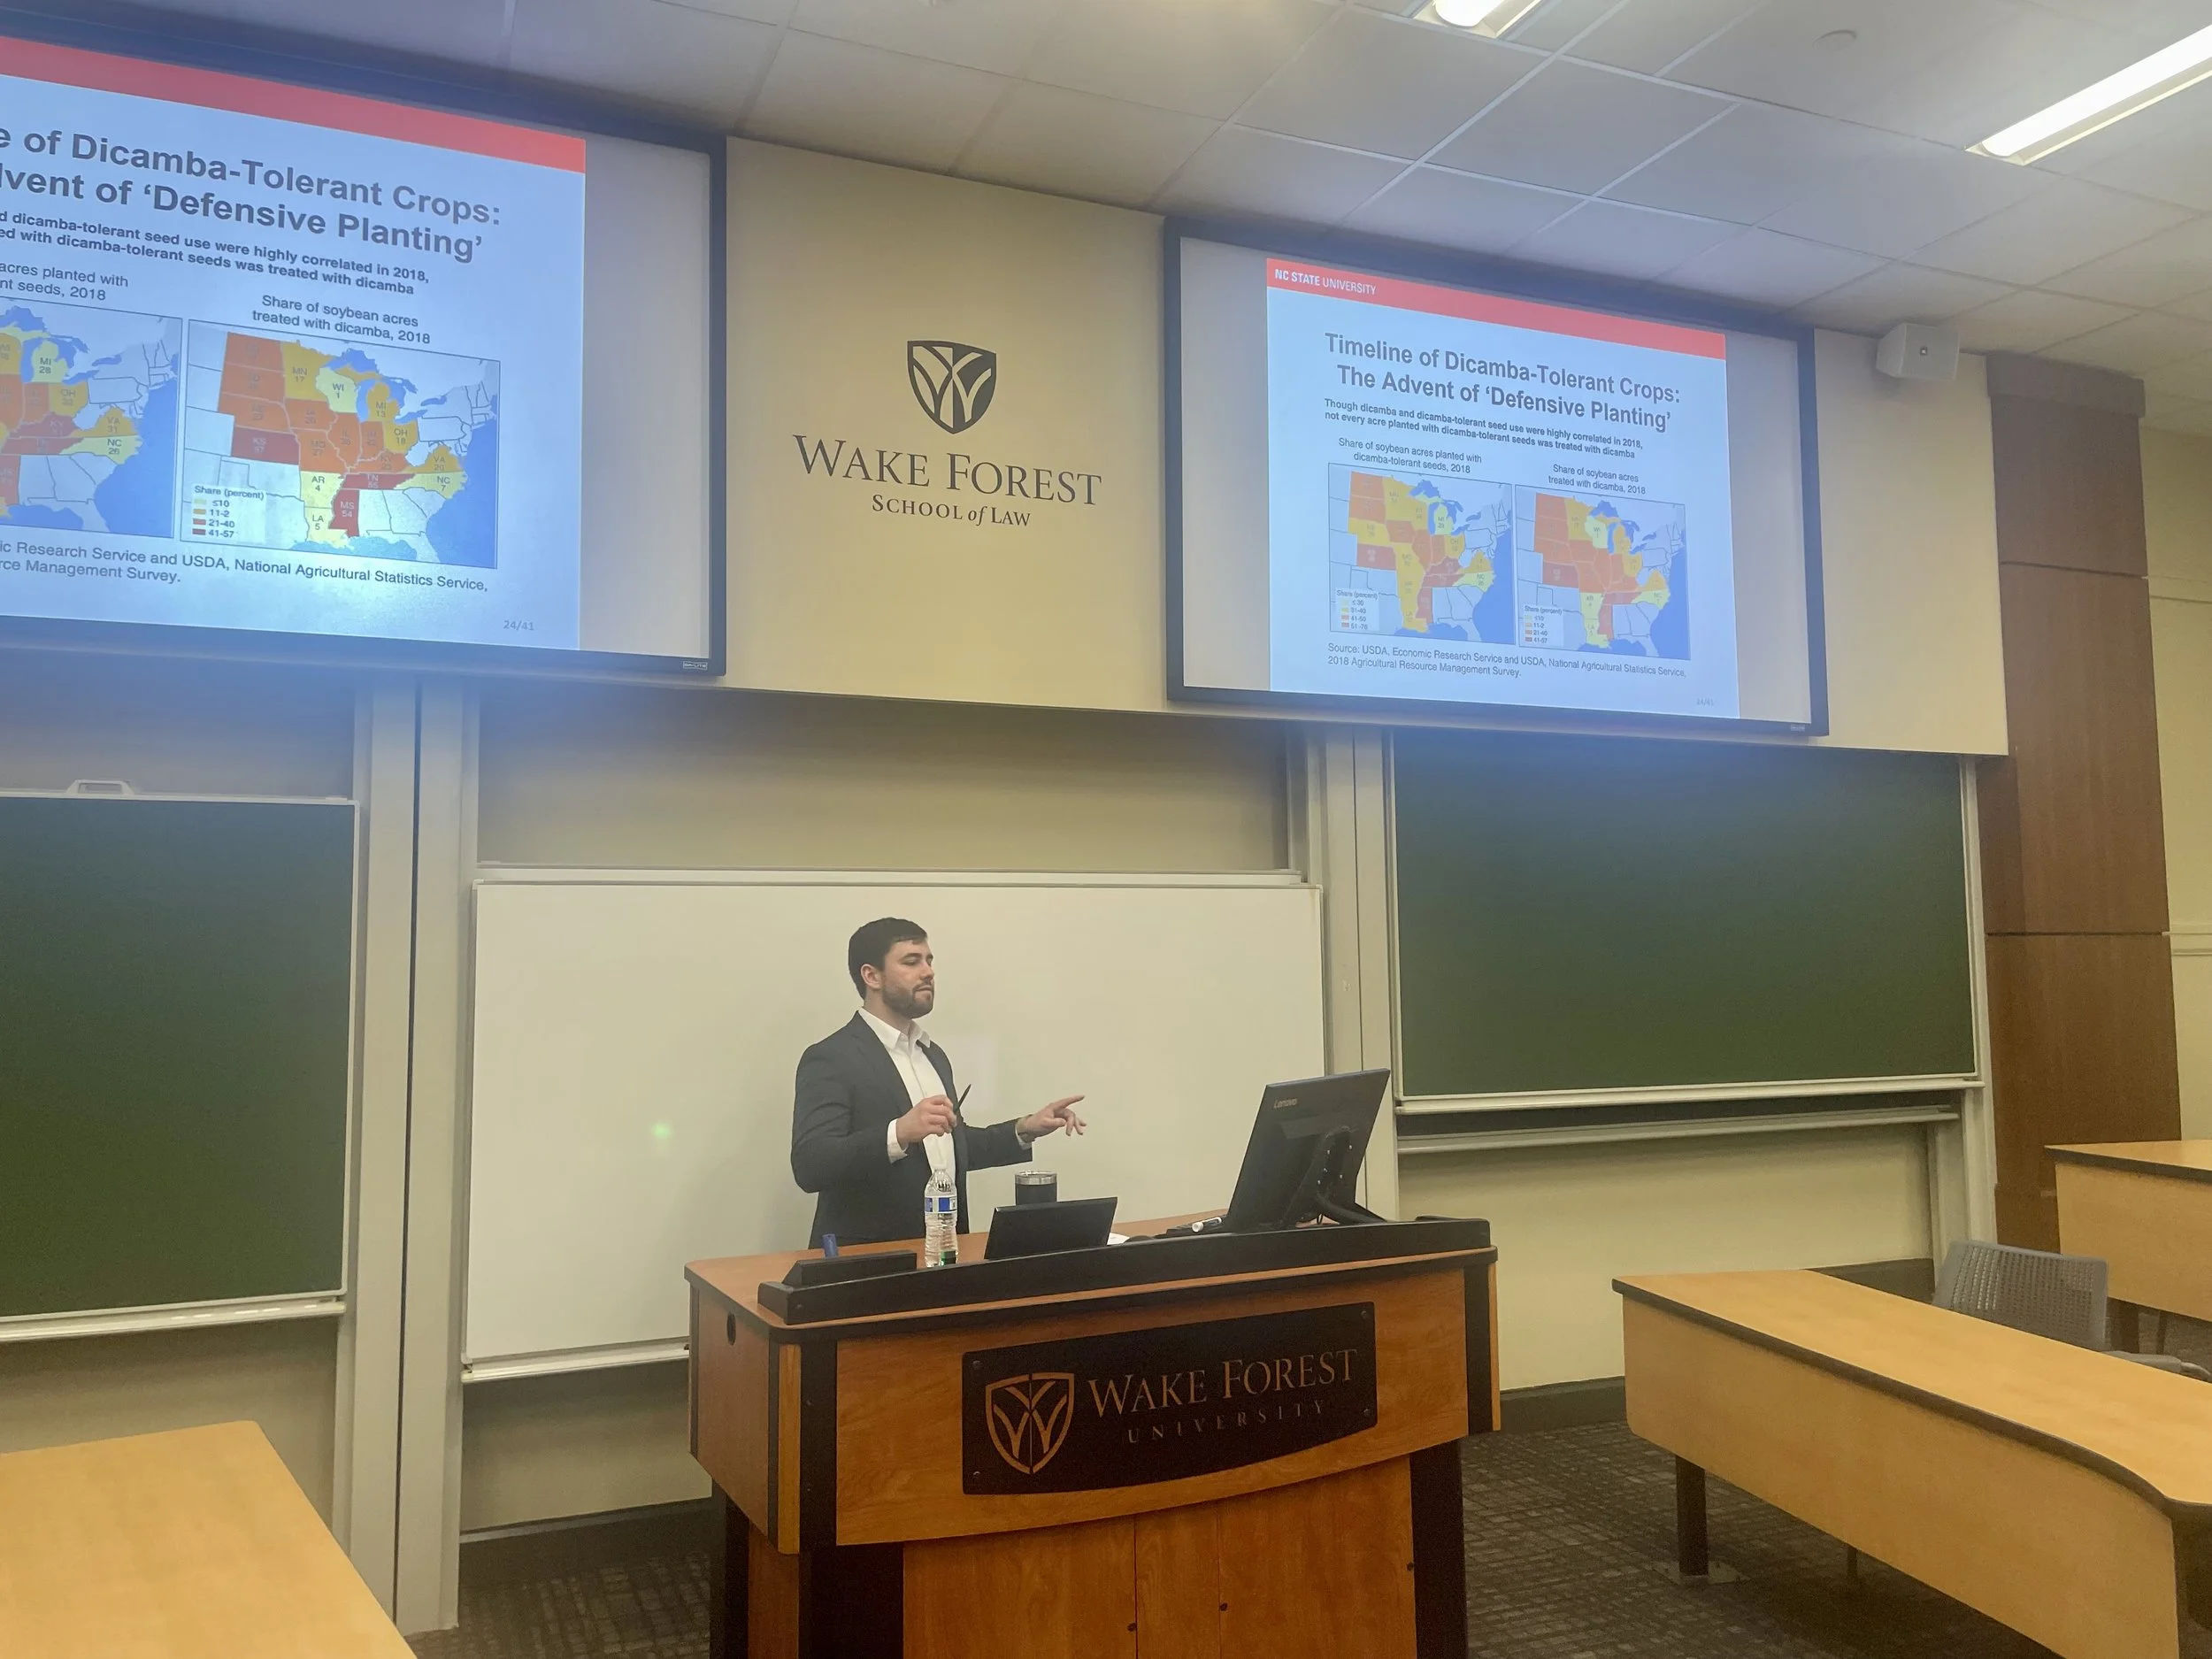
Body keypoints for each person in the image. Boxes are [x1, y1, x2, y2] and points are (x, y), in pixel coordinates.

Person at [790, 917, 1086, 1248]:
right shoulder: (831, 1058)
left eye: (929, 961)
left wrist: (1025, 1128)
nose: (928, 971)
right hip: (868, 1263)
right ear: (871, 975)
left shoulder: (932, 1056)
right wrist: (898, 1132)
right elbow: (811, 1164)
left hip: (944, 1255)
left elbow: (949, 1147)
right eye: (911, 962)